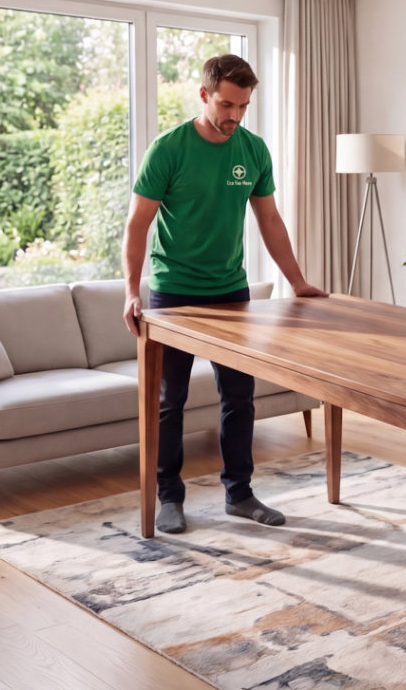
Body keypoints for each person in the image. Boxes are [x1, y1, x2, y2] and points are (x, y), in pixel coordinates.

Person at [122, 54, 325, 535]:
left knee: (239, 395)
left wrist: (298, 282)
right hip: (174, 294)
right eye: (227, 104)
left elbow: (269, 221)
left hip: (231, 293)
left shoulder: (253, 151)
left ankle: (240, 492)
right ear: (204, 94)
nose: (234, 115)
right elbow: (137, 224)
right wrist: (133, 291)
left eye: (243, 105)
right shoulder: (168, 150)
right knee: (169, 401)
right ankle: (168, 496)